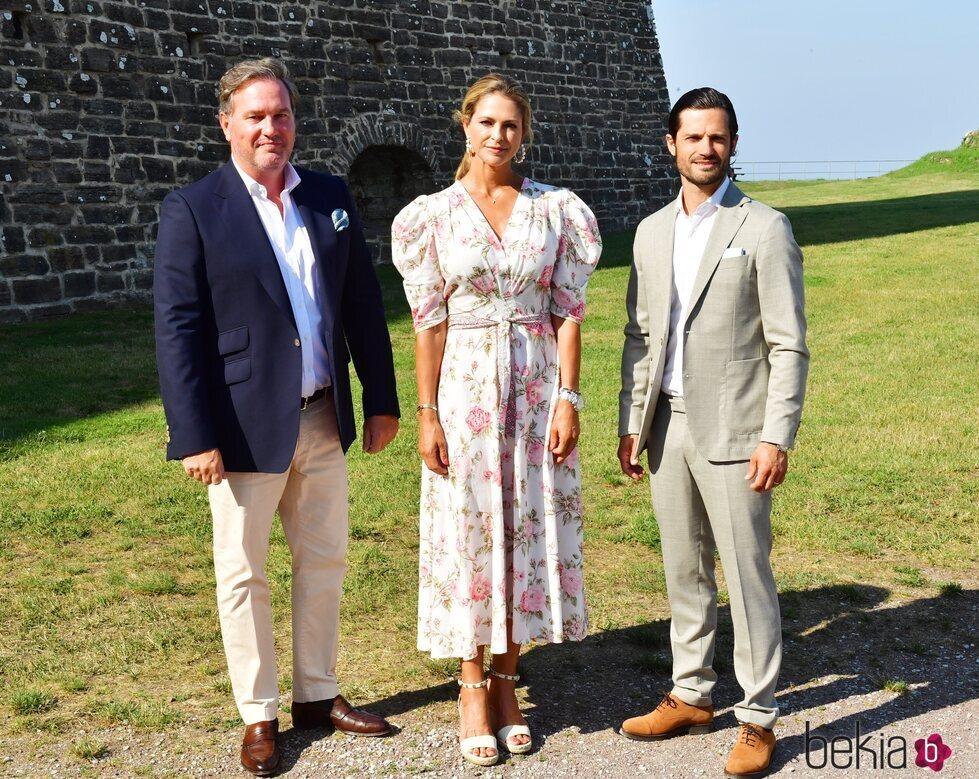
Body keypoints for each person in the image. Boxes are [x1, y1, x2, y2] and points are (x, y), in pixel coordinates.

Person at [153, 58, 400, 777]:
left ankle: (318, 696)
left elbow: (360, 304)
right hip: (238, 427)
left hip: (322, 415)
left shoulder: (328, 195)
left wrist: (380, 398)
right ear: (226, 122)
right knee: (243, 573)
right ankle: (259, 713)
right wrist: (193, 432)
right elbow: (178, 328)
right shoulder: (194, 208)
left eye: (281, 114)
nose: (270, 127)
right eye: (255, 116)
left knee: (324, 559)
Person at [391, 73, 601, 767]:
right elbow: (428, 324)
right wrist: (426, 413)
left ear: (524, 132)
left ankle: (510, 678)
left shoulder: (554, 211)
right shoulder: (433, 216)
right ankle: (471, 683)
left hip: (538, 389)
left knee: (525, 526)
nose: (497, 135)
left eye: (510, 124)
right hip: (464, 394)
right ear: (465, 126)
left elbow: (567, 311)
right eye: (486, 122)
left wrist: (569, 396)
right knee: (470, 532)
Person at [617, 87, 808, 779]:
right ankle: (691, 691)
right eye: (691, 137)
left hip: (736, 429)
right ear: (670, 144)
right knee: (682, 570)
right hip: (665, 426)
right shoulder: (647, 231)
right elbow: (639, 336)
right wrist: (628, 423)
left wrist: (774, 435)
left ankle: (757, 716)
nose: (704, 148)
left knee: (746, 573)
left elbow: (787, 345)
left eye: (716, 137)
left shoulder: (762, 227)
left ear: (732, 144)